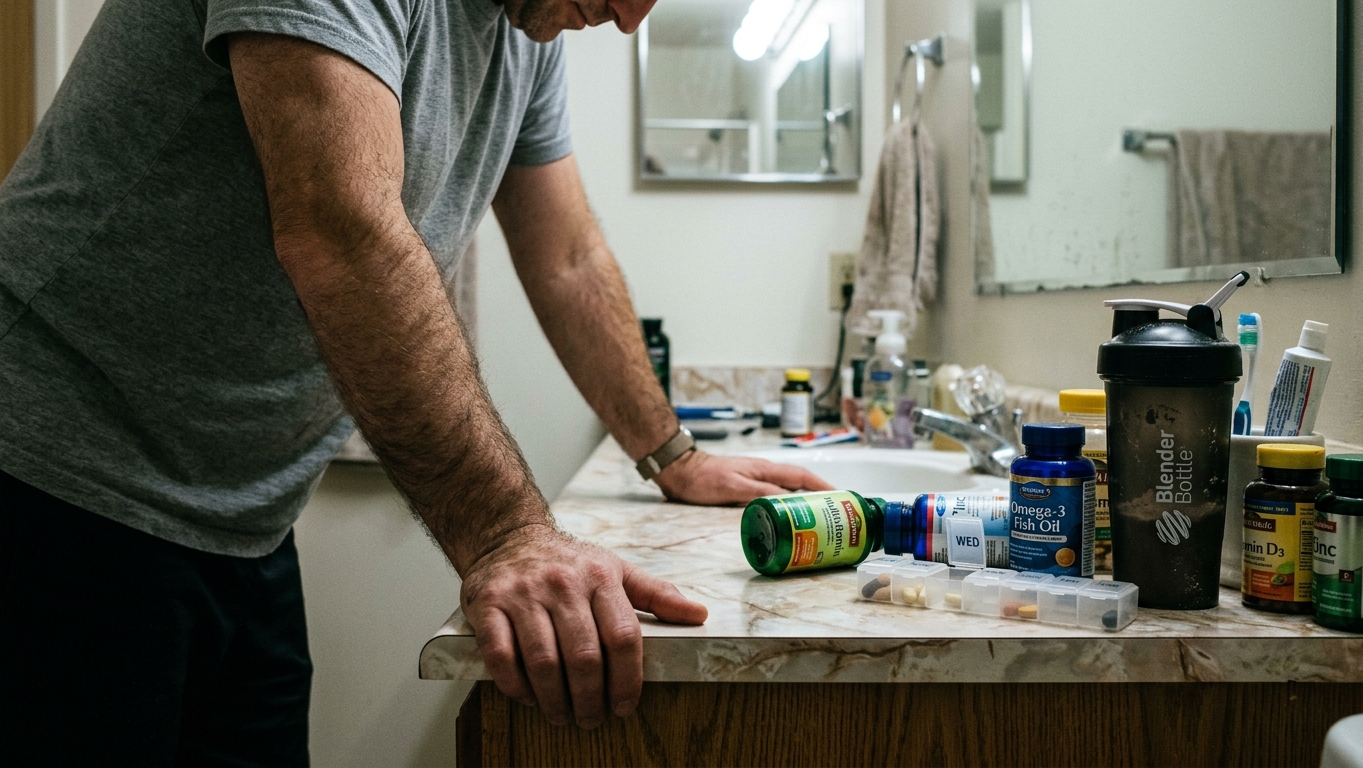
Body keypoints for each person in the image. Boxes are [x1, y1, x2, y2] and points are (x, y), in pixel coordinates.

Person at [0, 0, 830, 762]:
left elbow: (568, 256)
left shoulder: (525, 27)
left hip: (242, 516)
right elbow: (342, 232)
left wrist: (671, 452)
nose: (629, 18)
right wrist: (508, 537)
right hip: (53, 475)